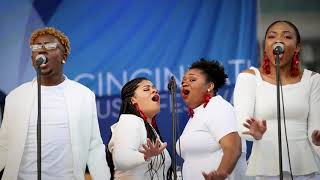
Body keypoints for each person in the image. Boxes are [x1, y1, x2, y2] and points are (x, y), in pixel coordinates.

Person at [0, 27, 110, 180]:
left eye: (50, 46)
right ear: (32, 58)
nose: (42, 51)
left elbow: (94, 146)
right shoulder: (15, 97)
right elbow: (4, 145)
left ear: (63, 56)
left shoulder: (83, 95)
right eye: (37, 47)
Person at [233, 20, 320, 179]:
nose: (278, 40)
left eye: (287, 37)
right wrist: (254, 134)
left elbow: (315, 127)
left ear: (297, 47)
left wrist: (317, 139)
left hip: (306, 167)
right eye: (271, 36)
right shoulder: (249, 78)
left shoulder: (313, 79)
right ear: (266, 46)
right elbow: (242, 124)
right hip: (265, 166)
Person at [177, 58, 242, 180]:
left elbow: (233, 148)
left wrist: (220, 174)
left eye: (192, 79)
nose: (185, 83)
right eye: (183, 81)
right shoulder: (198, 114)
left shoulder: (218, 107)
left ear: (210, 86)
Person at [107, 77, 172, 180]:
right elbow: (121, 160)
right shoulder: (130, 120)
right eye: (146, 89)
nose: (154, 90)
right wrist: (145, 156)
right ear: (133, 100)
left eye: (154, 88)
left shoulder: (150, 129)